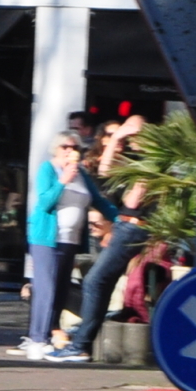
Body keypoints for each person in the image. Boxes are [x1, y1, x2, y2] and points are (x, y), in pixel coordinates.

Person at [45, 116, 150, 365]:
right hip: (125, 225)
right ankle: (82, 343)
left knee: (94, 281)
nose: (129, 141)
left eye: (131, 135)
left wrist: (123, 135)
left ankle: (81, 345)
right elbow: (104, 170)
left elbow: (135, 199)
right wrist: (116, 138)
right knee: (101, 283)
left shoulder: (152, 159)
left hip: (132, 227)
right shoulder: (134, 158)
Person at [24, 135, 113, 359]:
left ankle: (50, 333)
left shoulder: (81, 173)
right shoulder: (49, 169)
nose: (70, 151)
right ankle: (36, 339)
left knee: (61, 288)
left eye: (74, 147)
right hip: (46, 237)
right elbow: (44, 202)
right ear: (56, 149)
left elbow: (97, 200)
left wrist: (119, 218)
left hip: (70, 240)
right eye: (65, 147)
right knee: (46, 287)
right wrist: (63, 180)